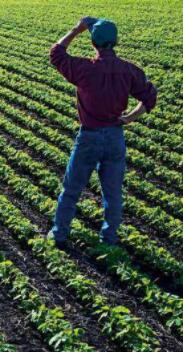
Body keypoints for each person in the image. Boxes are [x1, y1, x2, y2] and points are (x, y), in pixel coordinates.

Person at [47, 17, 157, 248]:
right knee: (113, 193)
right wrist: (130, 117)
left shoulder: (84, 69)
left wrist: (76, 29)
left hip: (89, 138)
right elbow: (149, 96)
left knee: (71, 189)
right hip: (115, 137)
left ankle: (59, 234)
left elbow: (56, 53)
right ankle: (109, 239)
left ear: (93, 43)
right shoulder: (129, 70)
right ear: (115, 41)